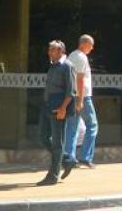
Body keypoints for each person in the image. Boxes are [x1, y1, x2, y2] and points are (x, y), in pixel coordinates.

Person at [37, 40, 76, 186]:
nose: (49, 52)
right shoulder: (53, 66)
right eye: (49, 49)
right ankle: (67, 160)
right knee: (42, 137)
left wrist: (63, 108)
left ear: (60, 51)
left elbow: (71, 91)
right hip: (47, 106)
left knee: (57, 144)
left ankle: (53, 176)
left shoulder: (67, 66)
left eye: (52, 50)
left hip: (59, 108)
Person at [64, 34, 99, 169]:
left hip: (73, 95)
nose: (92, 48)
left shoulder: (72, 56)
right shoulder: (81, 57)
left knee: (72, 127)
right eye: (91, 45)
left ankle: (69, 158)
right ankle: (85, 157)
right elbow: (80, 79)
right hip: (82, 97)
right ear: (84, 44)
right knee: (92, 125)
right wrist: (80, 100)